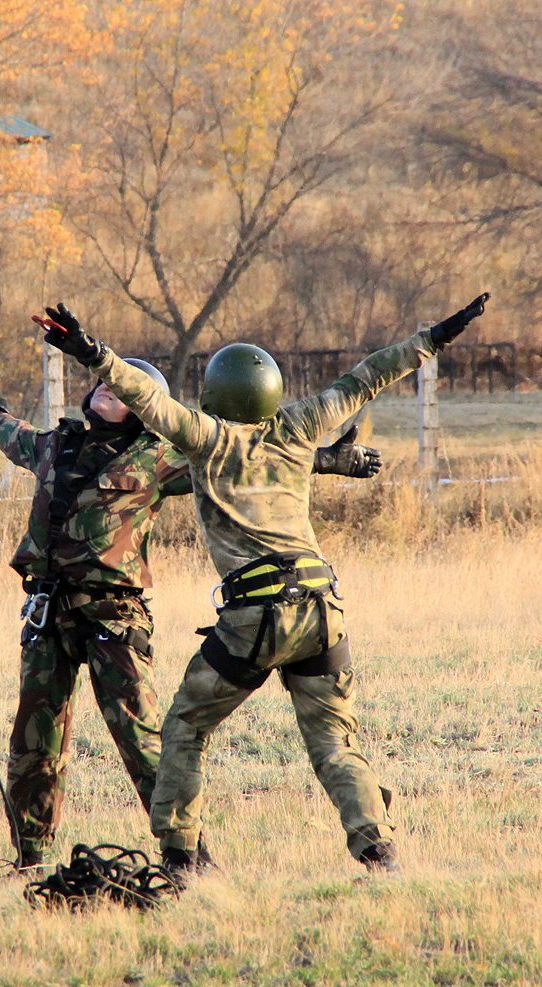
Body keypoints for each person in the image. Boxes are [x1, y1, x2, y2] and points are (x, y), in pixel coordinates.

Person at [33, 293, 489, 878]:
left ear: (214, 394)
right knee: (333, 742)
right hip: (324, 607)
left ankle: (179, 860)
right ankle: (380, 853)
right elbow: (368, 376)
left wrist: (87, 350)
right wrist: (434, 337)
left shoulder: (204, 437)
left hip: (257, 614)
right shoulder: (300, 426)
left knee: (184, 728)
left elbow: (143, 395)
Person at [0, 361, 384, 870]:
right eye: (104, 381)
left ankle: (190, 858)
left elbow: (241, 463)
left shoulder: (160, 457)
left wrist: (327, 459)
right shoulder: (52, 446)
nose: (107, 386)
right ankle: (30, 859)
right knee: (33, 745)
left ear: (145, 409)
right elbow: (8, 434)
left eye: (125, 387)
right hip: (47, 616)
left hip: (112, 615)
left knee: (146, 741)